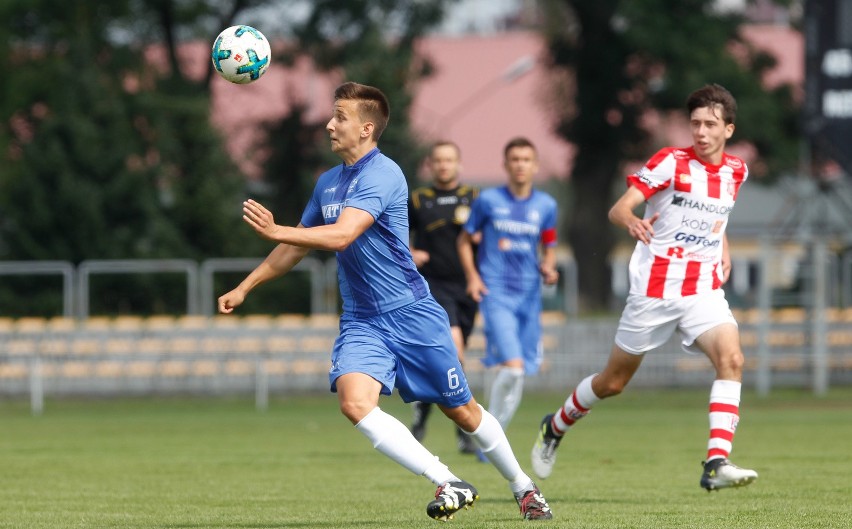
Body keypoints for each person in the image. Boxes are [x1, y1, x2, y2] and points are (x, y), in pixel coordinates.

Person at [218, 82, 552, 521]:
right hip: (362, 320)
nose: (329, 124)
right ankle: (447, 480)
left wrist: (277, 229)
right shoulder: (328, 183)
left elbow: (341, 235)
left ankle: (524, 488)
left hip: (412, 313)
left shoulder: (385, 173)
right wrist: (247, 286)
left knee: (464, 412)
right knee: (354, 402)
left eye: (340, 116)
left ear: (366, 128)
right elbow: (296, 247)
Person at [529, 83, 759, 492]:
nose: (701, 132)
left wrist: (722, 247)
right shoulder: (670, 162)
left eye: (710, 124)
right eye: (695, 124)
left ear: (729, 129)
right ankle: (556, 425)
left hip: (702, 289)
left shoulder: (736, 171)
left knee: (733, 359)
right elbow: (619, 207)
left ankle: (716, 462)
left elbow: (716, 216)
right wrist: (631, 220)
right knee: (613, 383)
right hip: (654, 290)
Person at [457, 137, 559, 440]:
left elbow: (549, 245)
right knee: (512, 368)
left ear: (535, 165)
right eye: (514, 159)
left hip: (530, 295)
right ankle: (489, 435)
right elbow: (464, 240)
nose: (520, 165)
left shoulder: (546, 206)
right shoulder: (488, 201)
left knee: (520, 371)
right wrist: (473, 277)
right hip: (496, 293)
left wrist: (549, 267)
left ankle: (490, 435)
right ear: (505, 164)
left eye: (526, 159)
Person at [408, 140, 480, 455]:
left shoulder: (473, 198)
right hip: (433, 286)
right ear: (431, 165)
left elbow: (489, 236)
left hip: (468, 287)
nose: (443, 165)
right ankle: (465, 430)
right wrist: (412, 253)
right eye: (438, 160)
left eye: (449, 160)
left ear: (458, 164)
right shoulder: (419, 199)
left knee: (445, 359)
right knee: (455, 352)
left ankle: (422, 413)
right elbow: (395, 234)